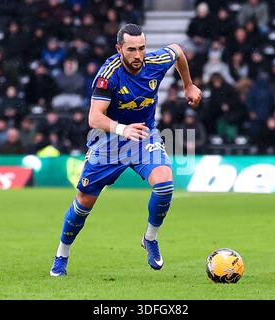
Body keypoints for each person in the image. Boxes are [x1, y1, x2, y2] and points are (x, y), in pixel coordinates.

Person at [50, 24, 202, 276]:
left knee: (164, 184)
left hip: (143, 136)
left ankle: (150, 238)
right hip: (109, 141)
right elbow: (94, 118)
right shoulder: (108, 74)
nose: (138, 55)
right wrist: (122, 129)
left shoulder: (155, 62)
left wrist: (188, 84)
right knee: (84, 203)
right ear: (119, 49)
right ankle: (61, 254)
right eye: (131, 49)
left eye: (142, 48)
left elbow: (177, 51)